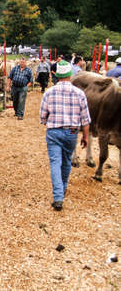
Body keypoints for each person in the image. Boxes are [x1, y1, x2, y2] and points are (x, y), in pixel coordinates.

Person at [40, 60, 91, 211]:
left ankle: (58, 197)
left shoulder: (49, 92)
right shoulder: (79, 93)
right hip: (71, 131)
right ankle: (63, 188)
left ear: (56, 75)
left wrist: (46, 121)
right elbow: (86, 119)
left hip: (54, 131)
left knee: (55, 162)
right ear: (70, 75)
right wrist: (86, 137)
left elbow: (43, 116)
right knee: (67, 160)